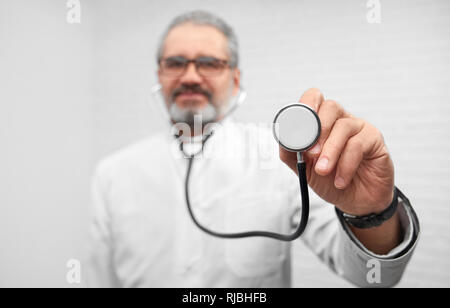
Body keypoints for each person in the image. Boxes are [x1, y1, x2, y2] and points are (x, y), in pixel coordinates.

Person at [86, 10, 419, 288]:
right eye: (175, 63)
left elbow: (373, 278)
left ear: (234, 79)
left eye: (208, 63)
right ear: (160, 74)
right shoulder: (113, 174)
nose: (190, 75)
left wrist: (371, 212)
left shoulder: (284, 160)